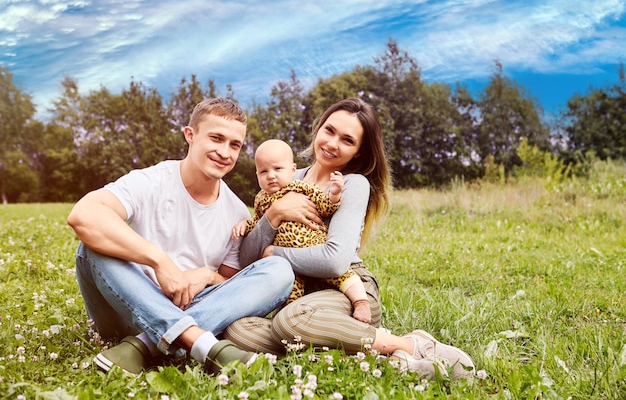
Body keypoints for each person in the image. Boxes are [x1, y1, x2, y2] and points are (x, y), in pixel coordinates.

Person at [223, 97, 475, 380]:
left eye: (347, 140)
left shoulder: (353, 184)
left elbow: (334, 261)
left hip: (348, 291)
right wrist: (274, 214)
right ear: (319, 129)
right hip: (303, 300)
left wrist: (274, 254)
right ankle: (384, 361)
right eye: (329, 131)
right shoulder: (283, 178)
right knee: (238, 329)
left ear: (357, 152)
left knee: (289, 323)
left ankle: (412, 344)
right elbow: (246, 260)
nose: (332, 143)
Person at [67, 98, 294, 376]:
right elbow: (83, 215)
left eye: (234, 145)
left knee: (279, 269)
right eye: (216, 138)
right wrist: (159, 261)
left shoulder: (236, 210)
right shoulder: (151, 181)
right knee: (91, 246)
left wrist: (208, 277)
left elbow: (228, 284)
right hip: (124, 309)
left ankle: (145, 345)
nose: (225, 152)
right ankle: (204, 346)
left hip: (192, 308)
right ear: (190, 135)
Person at [231, 138, 372, 323]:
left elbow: (325, 208)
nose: (271, 175)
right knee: (284, 304)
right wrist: (249, 223)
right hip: (291, 269)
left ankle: (361, 302)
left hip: (316, 250)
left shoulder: (302, 187)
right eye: (263, 171)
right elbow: (257, 224)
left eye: (277, 169)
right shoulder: (261, 199)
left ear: (291, 169)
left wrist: (335, 194)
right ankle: (286, 323)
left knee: (344, 278)